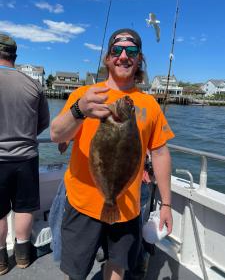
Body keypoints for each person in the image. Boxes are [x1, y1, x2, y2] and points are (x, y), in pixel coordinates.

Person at [50, 28, 174, 280]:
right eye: (117, 50)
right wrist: (79, 110)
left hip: (127, 207)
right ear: (108, 58)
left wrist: (167, 204)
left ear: (140, 59)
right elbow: (56, 135)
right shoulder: (84, 96)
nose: (124, 56)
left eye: (132, 51)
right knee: (75, 272)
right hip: (81, 203)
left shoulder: (150, 105)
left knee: (117, 266)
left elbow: (160, 153)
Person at [0, 33, 50, 275]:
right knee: (23, 209)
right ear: (15, 56)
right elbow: (43, 123)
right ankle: (22, 257)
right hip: (26, 157)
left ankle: (0, 262)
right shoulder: (34, 85)